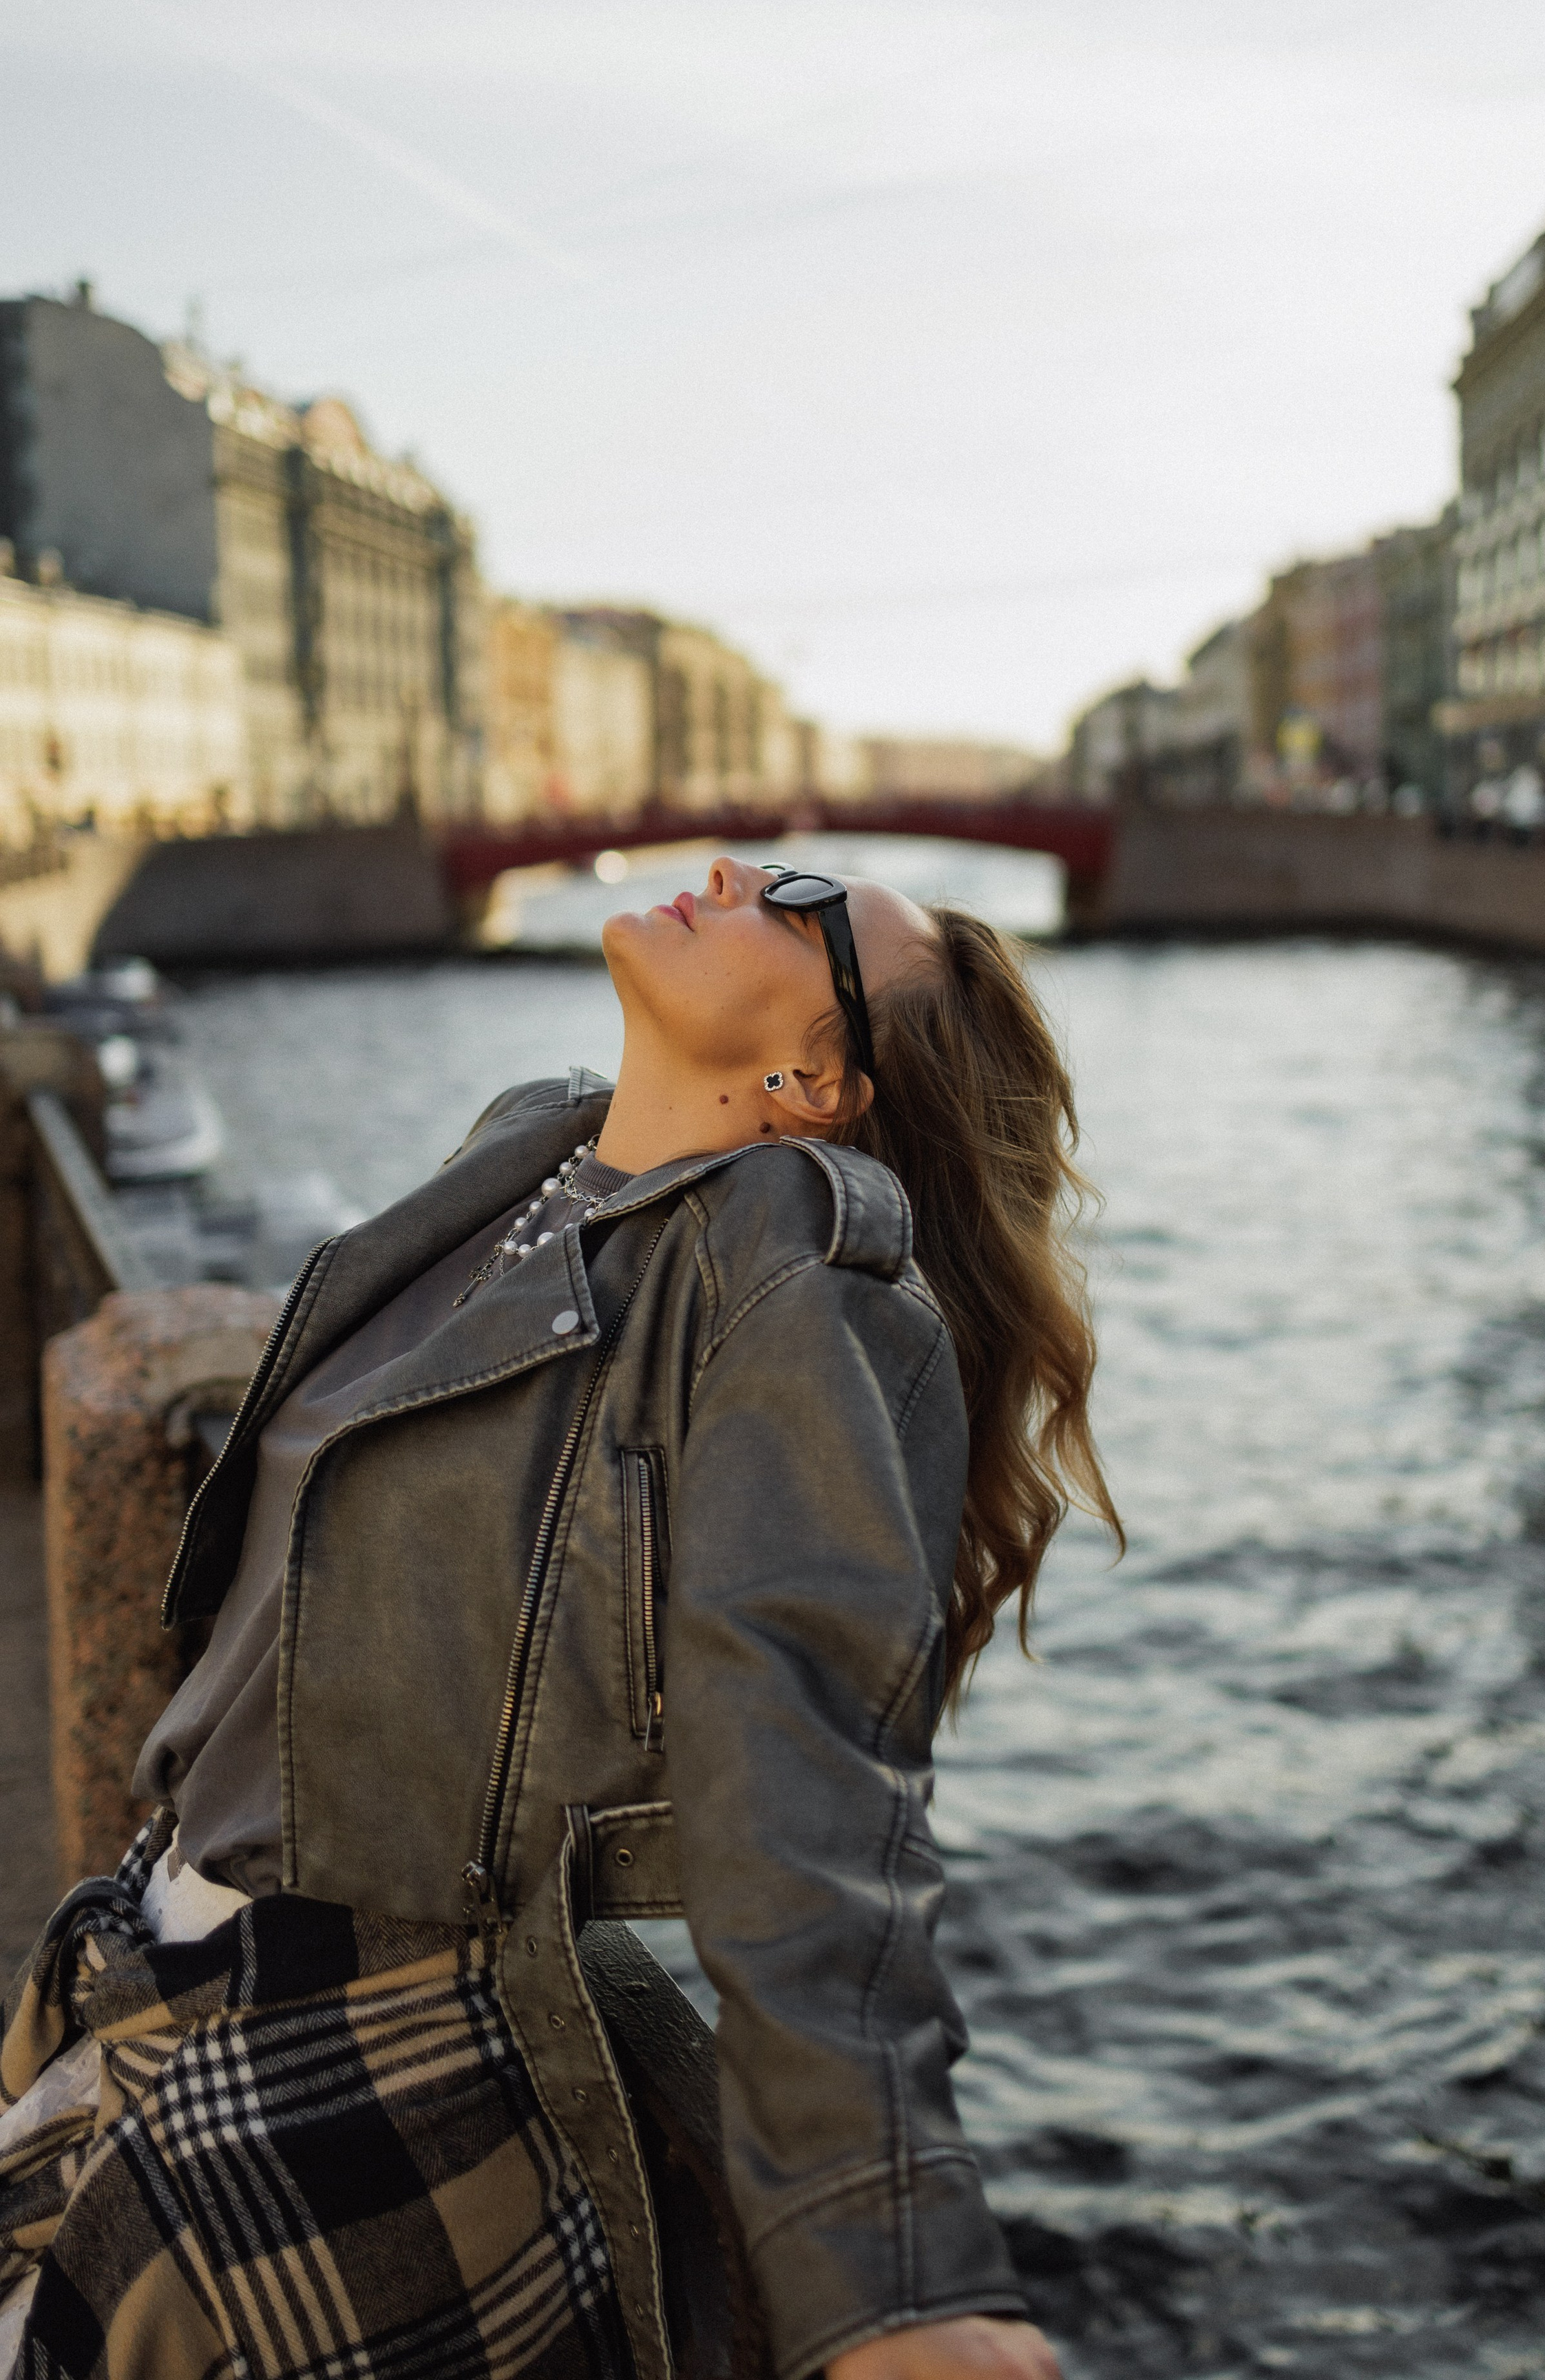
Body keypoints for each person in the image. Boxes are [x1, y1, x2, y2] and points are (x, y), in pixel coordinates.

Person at [0, 857, 1119, 2380]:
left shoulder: (796, 1270)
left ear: (815, 1076)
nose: (733, 870)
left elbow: (803, 1776)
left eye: (799, 910)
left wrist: (893, 2281)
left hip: (338, 2093)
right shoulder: (529, 1152)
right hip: (150, 1979)